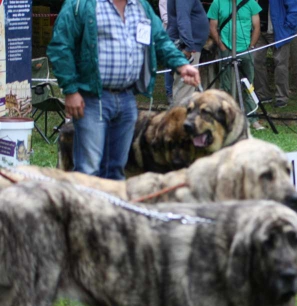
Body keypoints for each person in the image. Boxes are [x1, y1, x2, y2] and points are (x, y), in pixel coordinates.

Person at [47, 0, 199, 180]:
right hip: (93, 98)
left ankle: (111, 208)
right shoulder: (81, 4)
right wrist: (71, 90)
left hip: (127, 99)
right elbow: (60, 46)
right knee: (88, 170)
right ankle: (81, 208)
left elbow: (160, 40)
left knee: (117, 169)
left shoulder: (141, 6)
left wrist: (181, 64)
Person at [208, 0, 263, 129]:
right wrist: (221, 46)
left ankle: (252, 118)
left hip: (246, 49)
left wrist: (251, 46)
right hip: (226, 49)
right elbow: (212, 27)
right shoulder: (217, 3)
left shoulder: (251, 3)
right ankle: (226, 118)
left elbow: (257, 27)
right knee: (226, 84)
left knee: (248, 85)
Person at [253, 0, 297, 108]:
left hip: (279, 31)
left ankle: (281, 97)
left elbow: (295, 9)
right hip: (259, 31)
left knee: (280, 63)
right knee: (256, 60)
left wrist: (287, 28)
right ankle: (263, 94)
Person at [167, 0, 209, 104]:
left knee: (185, 89)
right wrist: (188, 47)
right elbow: (183, 19)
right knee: (184, 92)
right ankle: (179, 119)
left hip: (188, 45)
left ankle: (179, 117)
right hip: (187, 47)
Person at [159, 0, 174, 104]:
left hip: (181, 32)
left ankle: (178, 92)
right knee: (169, 64)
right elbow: (165, 17)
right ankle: (169, 93)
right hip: (169, 33)